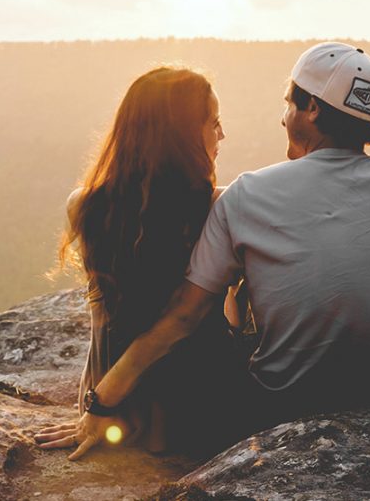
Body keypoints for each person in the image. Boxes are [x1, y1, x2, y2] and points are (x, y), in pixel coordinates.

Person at [56, 42, 370, 460]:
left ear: (312, 109)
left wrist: (103, 398)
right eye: (215, 124)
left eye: (289, 103)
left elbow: (184, 314)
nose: (283, 116)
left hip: (283, 404)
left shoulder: (248, 195)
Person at [34, 66, 238, 458]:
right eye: (214, 123)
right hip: (202, 407)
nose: (222, 135)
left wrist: (95, 406)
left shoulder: (84, 205)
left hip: (122, 411)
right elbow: (187, 321)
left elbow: (102, 324)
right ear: (180, 137)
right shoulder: (219, 206)